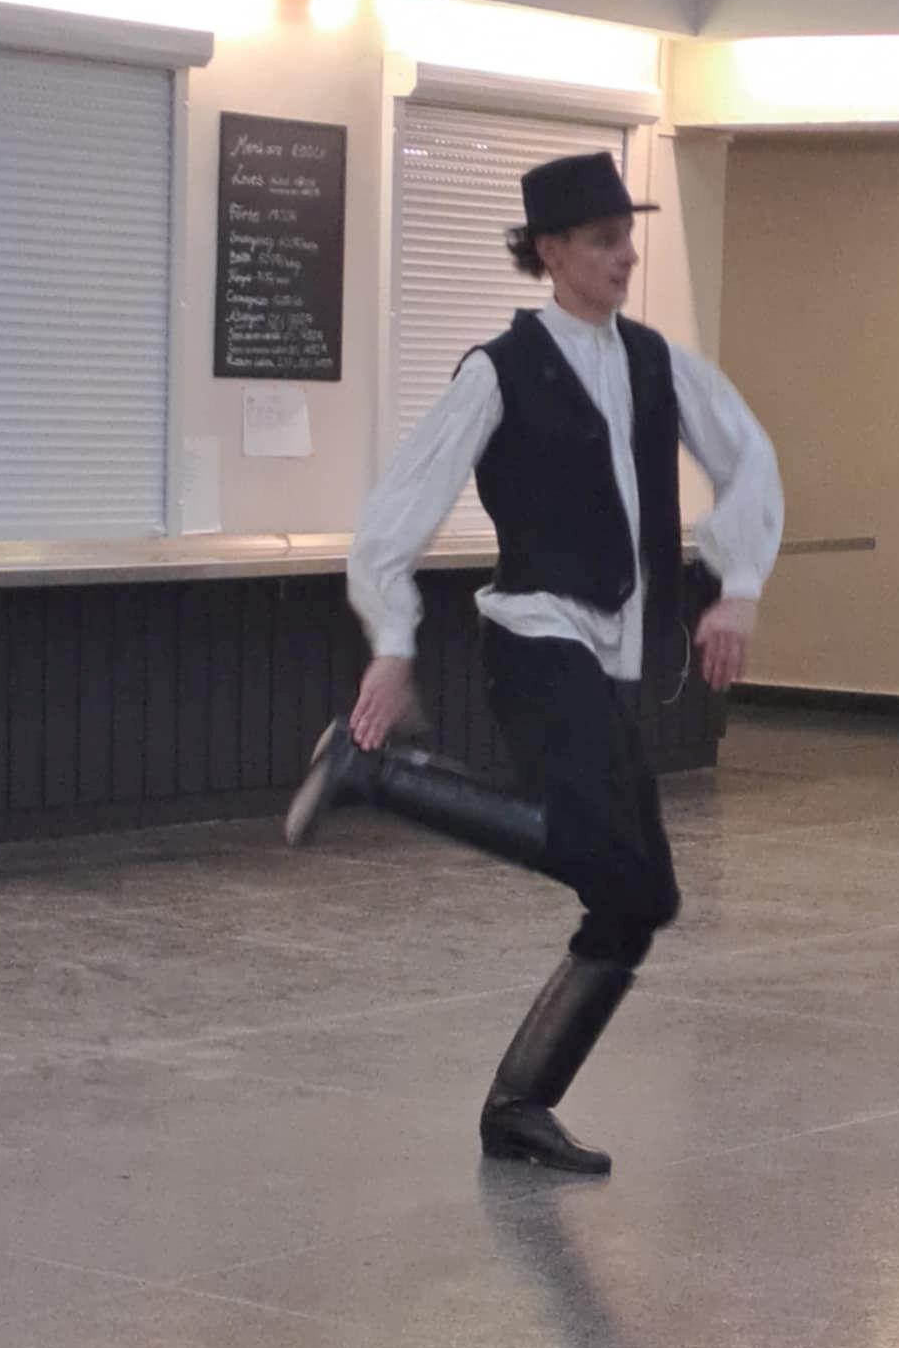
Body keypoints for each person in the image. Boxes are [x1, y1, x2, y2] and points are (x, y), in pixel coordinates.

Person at [284, 151, 783, 1176]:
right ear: (549, 252)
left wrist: (738, 584)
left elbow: (750, 455)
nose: (625, 255)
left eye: (628, 237)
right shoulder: (498, 370)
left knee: (641, 899)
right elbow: (399, 507)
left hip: (611, 657)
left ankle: (519, 1106)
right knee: (610, 861)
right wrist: (392, 643)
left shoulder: (658, 362)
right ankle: (376, 773)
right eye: (603, 240)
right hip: (534, 641)